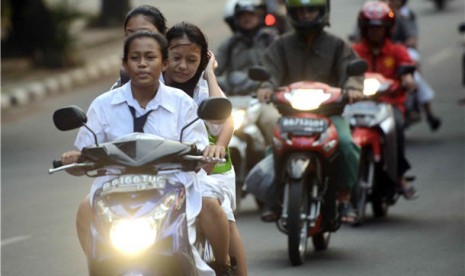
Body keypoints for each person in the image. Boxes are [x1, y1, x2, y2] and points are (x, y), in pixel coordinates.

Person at [60, 31, 218, 275]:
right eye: (135, 58)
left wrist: (206, 152)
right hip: (114, 190)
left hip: (172, 187)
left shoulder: (181, 104)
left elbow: (198, 150)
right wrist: (73, 160)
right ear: (125, 63)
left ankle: (219, 266)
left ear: (164, 63)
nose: (142, 64)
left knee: (210, 207)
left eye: (150, 57)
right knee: (84, 209)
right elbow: (82, 156)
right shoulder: (103, 105)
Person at [255, 0, 364, 224]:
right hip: (290, 116)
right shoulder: (280, 45)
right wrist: (266, 87)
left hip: (329, 115)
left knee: (345, 144)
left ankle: (344, 198)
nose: (306, 15)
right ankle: (274, 198)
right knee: (273, 147)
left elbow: (352, 72)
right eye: (301, 11)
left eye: (311, 10)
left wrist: (353, 87)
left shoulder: (338, 45)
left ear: (322, 12)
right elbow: (269, 73)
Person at [162, 22, 247, 276]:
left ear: (202, 60)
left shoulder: (203, 87)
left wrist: (210, 74)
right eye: (176, 57)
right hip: (163, 169)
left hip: (209, 168)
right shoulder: (152, 86)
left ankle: (224, 266)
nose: (183, 66)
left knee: (218, 211)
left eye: (192, 60)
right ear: (164, 57)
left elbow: (223, 119)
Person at [352, 0, 418, 199]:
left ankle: (398, 175)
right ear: (364, 28)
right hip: (357, 105)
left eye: (379, 28)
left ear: (387, 29)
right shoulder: (354, 51)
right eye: (371, 28)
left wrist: (407, 79)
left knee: (396, 127)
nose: (375, 32)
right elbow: (341, 70)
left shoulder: (396, 50)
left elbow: (407, 68)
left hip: (389, 105)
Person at [216, 0, 279, 96]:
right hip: (238, 98)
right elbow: (214, 68)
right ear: (236, 19)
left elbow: (283, 66)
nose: (247, 18)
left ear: (259, 16)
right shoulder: (230, 44)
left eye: (251, 14)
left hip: (268, 93)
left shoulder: (271, 39)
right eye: (242, 16)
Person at [111, 4, 168, 89]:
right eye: (130, 35)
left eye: (146, 34)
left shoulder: (179, 80)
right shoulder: (117, 89)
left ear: (163, 36)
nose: (137, 41)